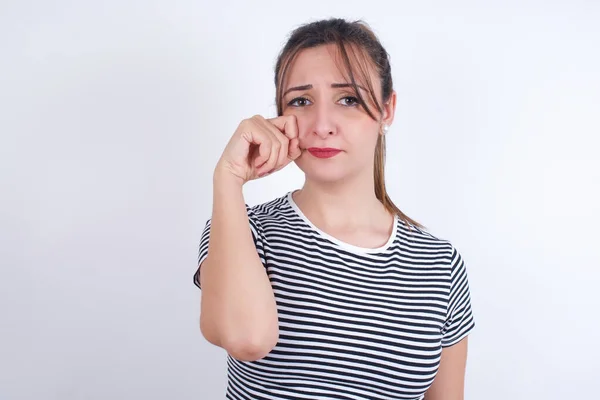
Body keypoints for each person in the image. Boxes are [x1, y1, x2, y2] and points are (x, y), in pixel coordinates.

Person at [194, 18, 475, 400]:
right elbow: (246, 339)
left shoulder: (439, 264)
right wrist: (227, 178)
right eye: (301, 101)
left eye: (348, 99)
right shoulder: (243, 230)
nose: (322, 125)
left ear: (387, 109)